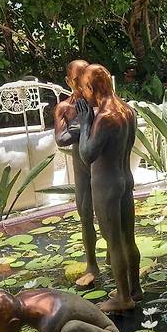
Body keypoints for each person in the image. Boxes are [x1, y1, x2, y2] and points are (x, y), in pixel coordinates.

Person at [74, 64, 140, 312]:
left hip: (106, 184)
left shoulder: (104, 117)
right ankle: (135, 288)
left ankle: (123, 297)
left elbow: (87, 154)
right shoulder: (127, 110)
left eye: (84, 88)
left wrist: (84, 124)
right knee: (128, 239)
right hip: (125, 178)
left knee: (113, 242)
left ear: (91, 87)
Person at [54, 59, 100, 287]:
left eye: (85, 76)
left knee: (108, 213)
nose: (82, 82)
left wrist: (85, 123)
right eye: (76, 79)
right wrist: (84, 124)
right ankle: (92, 263)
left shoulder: (102, 102)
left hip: (101, 163)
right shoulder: (65, 108)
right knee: (84, 213)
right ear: (68, 81)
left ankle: (114, 253)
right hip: (82, 166)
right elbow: (61, 139)